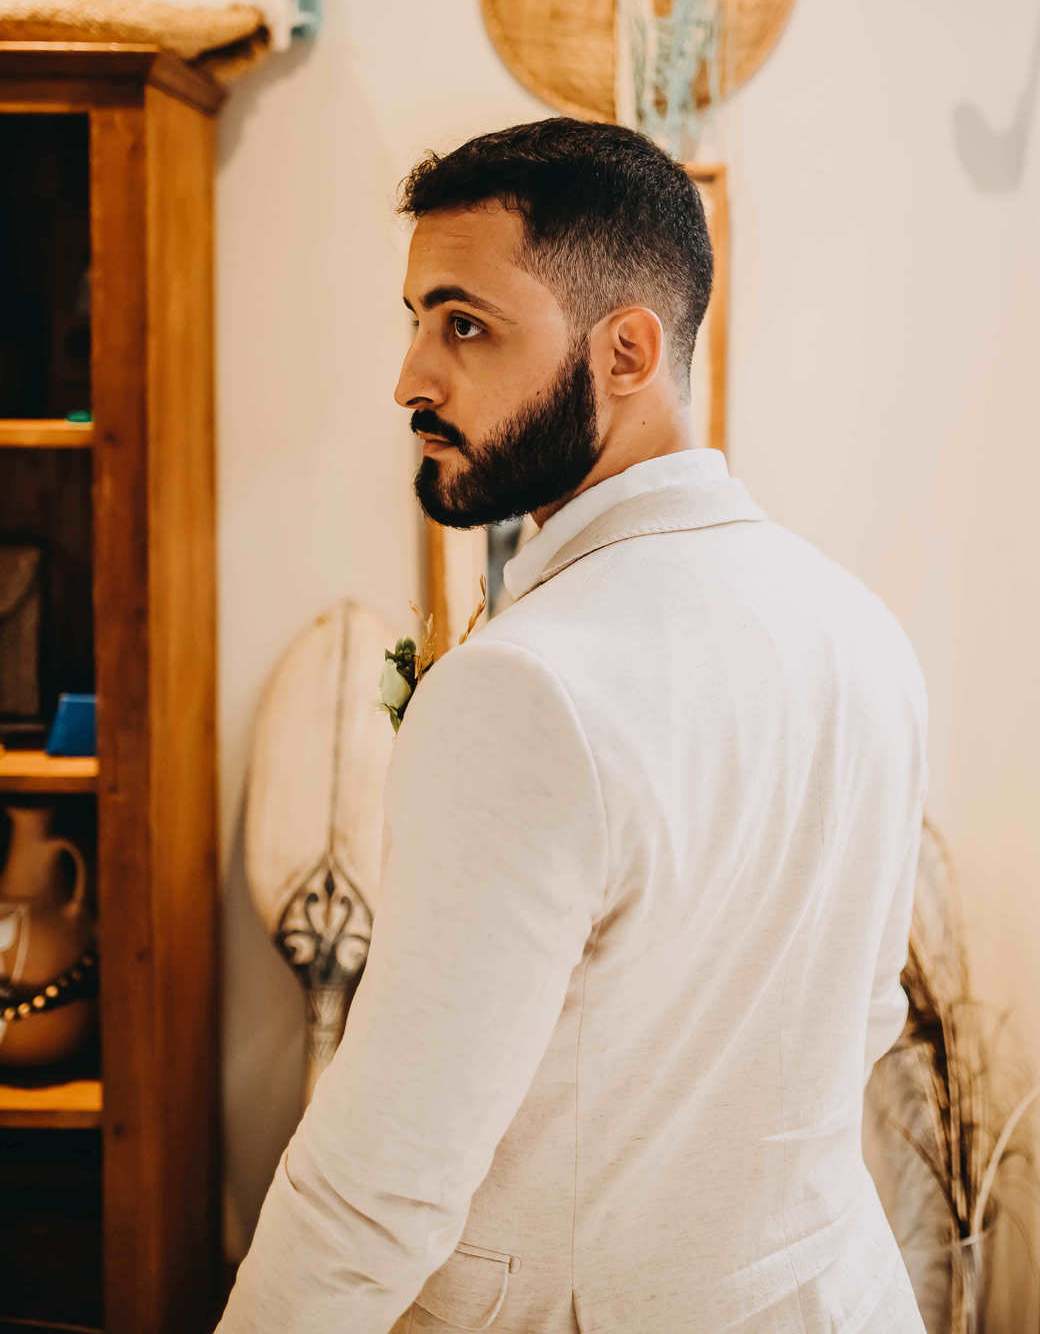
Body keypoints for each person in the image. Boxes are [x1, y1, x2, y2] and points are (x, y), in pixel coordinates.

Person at [217, 117, 928, 1333]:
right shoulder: (860, 627)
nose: (410, 377)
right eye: (415, 318)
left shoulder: (524, 687)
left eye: (465, 323)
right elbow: (860, 1017)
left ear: (629, 349)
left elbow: (382, 1179)